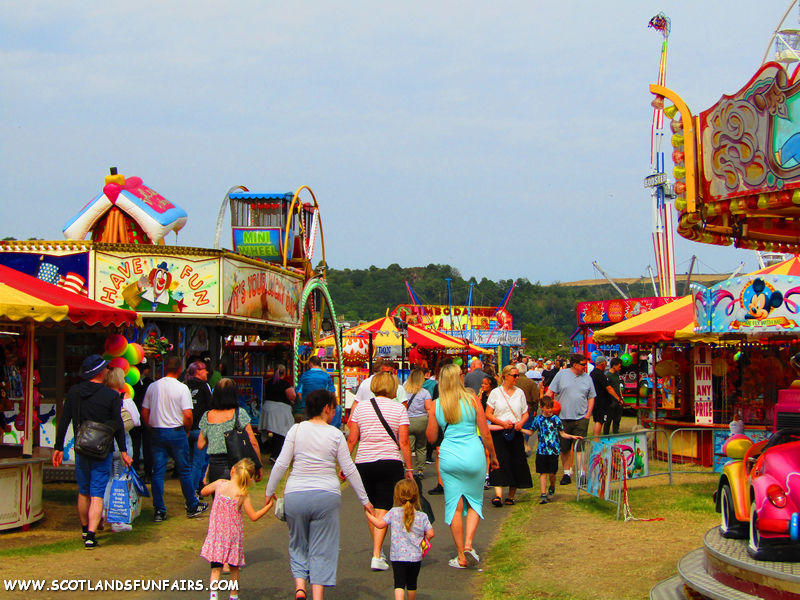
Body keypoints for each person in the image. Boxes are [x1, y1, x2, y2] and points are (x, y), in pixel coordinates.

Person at [266, 390, 373, 600]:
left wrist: (269, 492)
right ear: (327, 408)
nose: (334, 413)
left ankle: (299, 587)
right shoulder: (335, 434)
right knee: (322, 547)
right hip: (326, 495)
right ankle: (317, 595)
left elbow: (281, 463)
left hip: (296, 493)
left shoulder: (296, 430)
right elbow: (349, 468)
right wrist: (365, 499)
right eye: (333, 409)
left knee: (297, 543)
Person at [52, 354, 132, 549]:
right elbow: (119, 425)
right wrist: (123, 450)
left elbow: (64, 420)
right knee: (97, 494)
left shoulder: (74, 392)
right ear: (98, 372)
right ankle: (91, 536)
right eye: (104, 368)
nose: (107, 371)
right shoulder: (112, 395)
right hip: (102, 450)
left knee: (83, 491)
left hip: (81, 448)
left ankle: (84, 528)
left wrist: (58, 447)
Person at [427, 364, 498, 569]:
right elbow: (485, 433)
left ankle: (460, 556)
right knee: (474, 500)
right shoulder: (473, 400)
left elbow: (431, 437)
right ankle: (468, 544)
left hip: (449, 456)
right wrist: (493, 456)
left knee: (455, 506)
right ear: (459, 379)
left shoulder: (436, 405)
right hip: (474, 454)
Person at [347, 372, 413, 571]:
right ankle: (377, 553)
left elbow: (352, 439)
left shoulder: (360, 409)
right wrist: (409, 468)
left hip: (364, 461)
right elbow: (403, 441)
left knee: (371, 505)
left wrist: (345, 463)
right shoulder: (399, 409)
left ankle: (378, 550)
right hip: (390, 460)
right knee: (384, 505)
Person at [141, 356, 209, 522]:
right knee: (184, 469)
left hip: (158, 431)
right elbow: (187, 415)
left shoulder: (153, 386)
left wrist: (152, 427)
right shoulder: (182, 388)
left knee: (158, 472)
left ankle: (159, 509)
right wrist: (186, 430)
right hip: (176, 431)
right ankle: (192, 504)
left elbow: (144, 412)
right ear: (179, 370)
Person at [201, 458, 272, 600]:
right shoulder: (242, 494)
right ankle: (233, 596)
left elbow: (203, 492)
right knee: (234, 569)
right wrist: (267, 507)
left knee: (216, 569)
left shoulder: (220, 484)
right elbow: (253, 516)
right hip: (233, 536)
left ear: (232, 470)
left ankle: (213, 596)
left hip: (217, 535)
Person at [365, 479, 434, 600]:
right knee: (412, 583)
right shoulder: (422, 516)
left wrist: (368, 514)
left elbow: (380, 524)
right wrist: (424, 540)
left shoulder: (394, 512)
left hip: (397, 556)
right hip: (415, 557)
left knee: (399, 584)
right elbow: (431, 533)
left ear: (397, 496)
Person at [198, 379, 262, 486]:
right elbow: (253, 442)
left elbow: (200, 445)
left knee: (218, 501)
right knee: (237, 499)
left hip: (215, 467)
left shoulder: (207, 416)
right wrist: (257, 465)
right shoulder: (239, 413)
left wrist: (215, 436)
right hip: (236, 466)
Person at [485, 365, 533, 507]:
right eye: (514, 375)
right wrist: (501, 423)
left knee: (516, 462)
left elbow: (525, 413)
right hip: (500, 431)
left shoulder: (520, 393)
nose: (517, 378)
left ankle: (511, 496)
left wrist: (521, 423)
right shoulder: (495, 393)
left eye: (517, 375)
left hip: (515, 431)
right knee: (499, 461)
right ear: (506, 376)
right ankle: (498, 495)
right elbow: (488, 414)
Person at [545, 353, 596, 486]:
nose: (585, 367)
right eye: (583, 364)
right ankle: (567, 473)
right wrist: (546, 406)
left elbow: (591, 397)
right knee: (565, 448)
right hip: (563, 417)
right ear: (575, 364)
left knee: (580, 447)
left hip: (581, 417)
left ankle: (582, 474)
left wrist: (588, 415)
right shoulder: (562, 375)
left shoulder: (587, 378)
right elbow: (550, 392)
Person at [522, 396, 582, 504]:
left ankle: (552, 486)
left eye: (551, 408)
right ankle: (543, 494)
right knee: (543, 473)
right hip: (541, 450)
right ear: (542, 408)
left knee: (552, 473)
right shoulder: (538, 420)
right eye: (547, 408)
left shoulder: (556, 419)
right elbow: (531, 432)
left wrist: (573, 437)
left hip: (553, 451)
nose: (550, 410)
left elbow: (562, 433)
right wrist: (520, 429)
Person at [103, 366, 140, 532]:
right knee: (119, 480)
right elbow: (136, 420)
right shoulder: (123, 398)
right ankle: (117, 518)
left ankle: (103, 513)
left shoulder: (101, 397)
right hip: (122, 442)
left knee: (106, 478)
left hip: (105, 442)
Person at [185, 360, 213, 497]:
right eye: (205, 369)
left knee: (190, 463)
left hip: (186, 429)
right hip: (200, 430)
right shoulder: (204, 386)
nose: (207, 372)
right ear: (198, 371)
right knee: (198, 462)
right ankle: (192, 493)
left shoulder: (185, 386)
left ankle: (192, 489)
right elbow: (211, 406)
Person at [259, 365, 296, 460]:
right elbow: (292, 396)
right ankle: (277, 455)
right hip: (280, 410)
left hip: (268, 408)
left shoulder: (269, 383)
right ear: (284, 373)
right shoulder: (284, 384)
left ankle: (275, 454)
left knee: (276, 433)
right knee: (282, 433)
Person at [404, 369, 433, 478]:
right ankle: (420, 470)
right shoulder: (425, 392)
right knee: (421, 447)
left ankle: (406, 467)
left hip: (408, 421)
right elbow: (428, 408)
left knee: (407, 445)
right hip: (422, 421)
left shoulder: (403, 391)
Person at [130, 358, 154, 483]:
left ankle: (135, 471)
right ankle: (148, 472)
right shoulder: (151, 383)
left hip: (133, 417)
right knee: (147, 445)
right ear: (146, 370)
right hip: (147, 417)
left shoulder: (130, 383)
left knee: (135, 444)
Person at [296, 356, 337, 425]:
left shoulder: (304, 376)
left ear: (310, 364)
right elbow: (332, 393)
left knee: (307, 428)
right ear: (320, 364)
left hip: (307, 406)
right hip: (322, 407)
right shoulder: (326, 376)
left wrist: (303, 402)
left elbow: (298, 393)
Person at [589, 356, 621, 438]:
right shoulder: (599, 374)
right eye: (605, 364)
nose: (605, 366)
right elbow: (608, 388)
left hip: (596, 400)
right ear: (602, 363)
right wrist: (618, 398)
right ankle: (596, 439)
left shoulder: (592, 373)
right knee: (600, 421)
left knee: (598, 421)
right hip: (601, 401)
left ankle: (596, 438)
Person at [604, 358, 625, 435]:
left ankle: (616, 433)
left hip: (618, 400)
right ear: (614, 366)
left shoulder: (616, 375)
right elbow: (608, 389)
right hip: (611, 401)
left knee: (617, 420)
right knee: (608, 420)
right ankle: (606, 434)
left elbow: (618, 387)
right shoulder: (607, 376)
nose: (620, 368)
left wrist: (621, 398)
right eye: (619, 366)